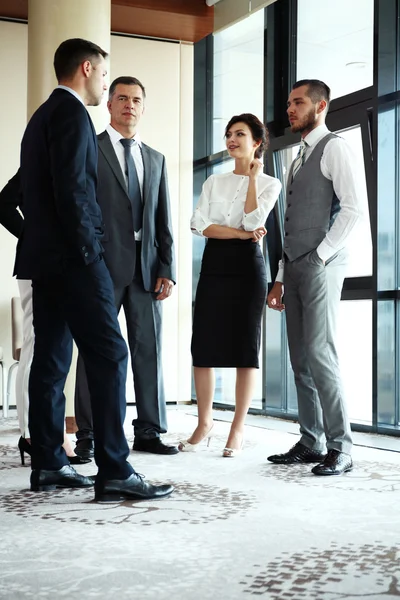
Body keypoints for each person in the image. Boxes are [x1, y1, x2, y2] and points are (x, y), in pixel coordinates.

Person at [14, 37, 173, 501]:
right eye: (105, 75)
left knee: (51, 361)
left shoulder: (41, 116)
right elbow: (74, 192)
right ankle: (115, 470)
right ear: (87, 69)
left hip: (46, 263)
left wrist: (42, 241)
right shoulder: (72, 115)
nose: (106, 84)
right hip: (76, 261)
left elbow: (27, 197)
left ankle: (48, 464)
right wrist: (90, 254)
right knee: (110, 355)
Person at [73, 76, 177, 460]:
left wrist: (167, 267)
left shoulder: (156, 158)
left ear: (143, 107)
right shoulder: (91, 148)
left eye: (136, 99)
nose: (129, 105)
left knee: (148, 351)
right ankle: (91, 434)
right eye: (121, 98)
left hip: (147, 271)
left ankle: (149, 429)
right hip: (100, 267)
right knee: (95, 352)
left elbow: (162, 219)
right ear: (109, 104)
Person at [267, 79, 361, 476]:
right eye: (289, 103)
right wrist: (281, 277)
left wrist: (320, 257)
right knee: (300, 359)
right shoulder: (296, 158)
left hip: (322, 264)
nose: (290, 109)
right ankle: (311, 440)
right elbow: (290, 226)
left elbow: (353, 209)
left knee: (321, 354)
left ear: (321, 106)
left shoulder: (334, 147)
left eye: (298, 102)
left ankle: (342, 447)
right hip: (296, 266)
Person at [179, 113, 281, 457]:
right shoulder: (213, 182)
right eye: (228, 134)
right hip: (215, 264)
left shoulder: (270, 184)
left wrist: (252, 179)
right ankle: (204, 422)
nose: (231, 140)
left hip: (249, 269)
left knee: (245, 348)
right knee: (203, 345)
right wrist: (240, 233)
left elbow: (255, 219)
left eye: (240, 134)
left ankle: (237, 428)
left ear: (257, 143)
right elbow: (199, 224)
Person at [0, 171, 90, 465]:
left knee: (57, 350)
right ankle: (33, 434)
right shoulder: (36, 165)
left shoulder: (77, 164)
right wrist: (33, 237)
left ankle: (50, 432)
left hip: (73, 264)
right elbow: (3, 204)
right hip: (37, 263)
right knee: (37, 344)